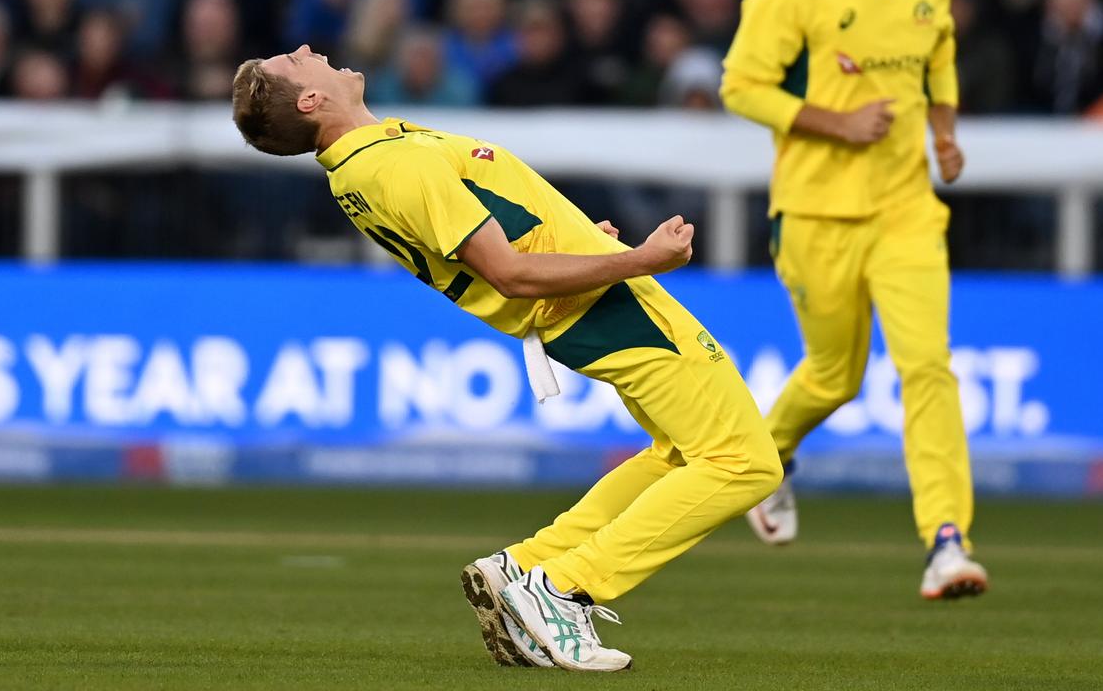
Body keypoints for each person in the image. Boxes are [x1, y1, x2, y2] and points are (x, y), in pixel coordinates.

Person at [231, 44, 782, 672]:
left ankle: (528, 567)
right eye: (296, 61)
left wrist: (580, 245)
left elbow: (505, 236)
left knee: (680, 454)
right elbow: (512, 273)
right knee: (745, 464)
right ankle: (564, 589)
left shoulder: (367, 160)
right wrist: (642, 259)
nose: (309, 50)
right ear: (310, 101)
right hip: (606, 310)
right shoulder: (392, 165)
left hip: (582, 306)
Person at [720, 0, 989, 600]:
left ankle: (948, 542)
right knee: (835, 375)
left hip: (907, 213)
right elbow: (740, 86)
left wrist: (945, 133)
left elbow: (939, 58)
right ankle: (771, 456)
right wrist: (835, 123)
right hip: (814, 216)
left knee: (927, 367)